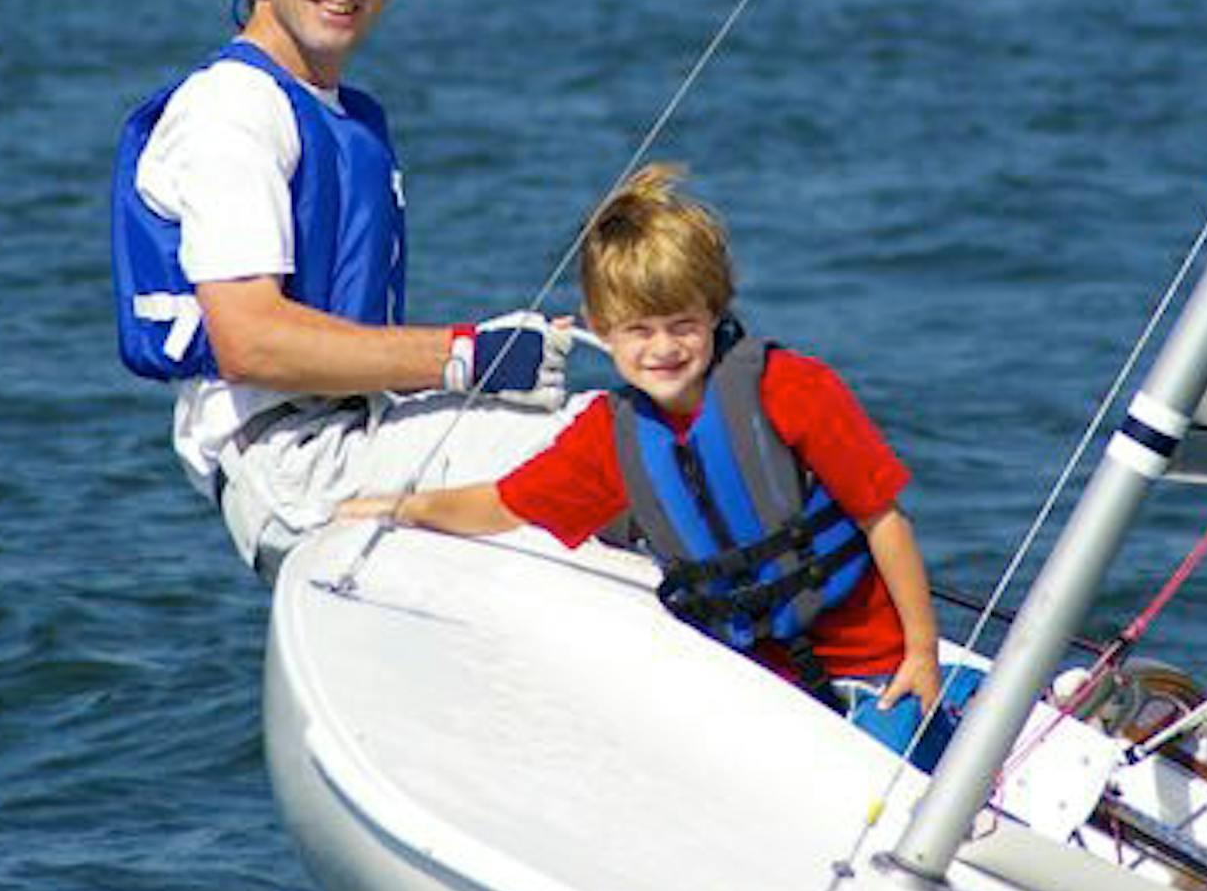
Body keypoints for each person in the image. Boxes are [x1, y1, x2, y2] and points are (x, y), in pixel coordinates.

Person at [339, 164, 949, 762]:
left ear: (715, 312)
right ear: (602, 330)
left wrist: (921, 653)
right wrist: (404, 506)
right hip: (758, 690)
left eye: (682, 325)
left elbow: (883, 520)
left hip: (875, 671)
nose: (662, 348)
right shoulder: (610, 434)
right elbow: (503, 504)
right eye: (638, 330)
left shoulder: (794, 389)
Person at [112, 0, 582, 579]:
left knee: (646, 429)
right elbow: (251, 342)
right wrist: (470, 356)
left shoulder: (340, 112)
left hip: (357, 433)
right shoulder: (234, 110)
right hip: (292, 466)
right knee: (625, 449)